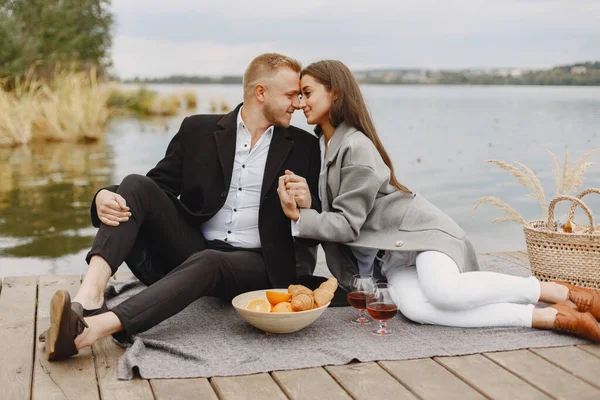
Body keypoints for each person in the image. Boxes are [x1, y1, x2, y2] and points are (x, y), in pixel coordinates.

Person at [277, 59, 600, 343]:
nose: (301, 102)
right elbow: (347, 211)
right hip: (390, 256)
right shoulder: (326, 144)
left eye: (307, 92)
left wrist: (299, 218)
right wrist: (309, 204)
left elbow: (348, 225)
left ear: (334, 92)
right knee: (417, 309)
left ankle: (558, 292)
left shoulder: (355, 147)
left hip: (421, 238)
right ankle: (555, 318)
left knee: (445, 293)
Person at [43, 53, 322, 361]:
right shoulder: (197, 130)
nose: (298, 103)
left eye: (299, 95)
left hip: (259, 264)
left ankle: (93, 329)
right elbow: (154, 188)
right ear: (260, 92)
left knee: (211, 260)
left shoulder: (304, 146)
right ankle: (90, 298)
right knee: (134, 183)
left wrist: (307, 204)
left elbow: (315, 224)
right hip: (193, 248)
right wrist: (100, 198)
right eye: (290, 95)